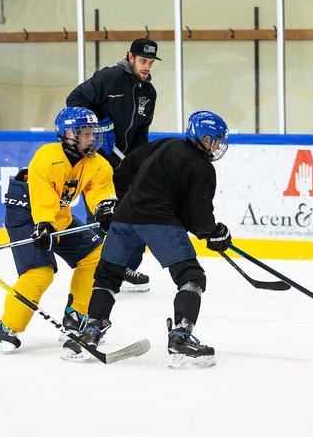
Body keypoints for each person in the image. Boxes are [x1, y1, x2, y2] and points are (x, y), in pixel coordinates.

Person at [63, 110, 232, 368]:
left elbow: (124, 170)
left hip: (124, 219)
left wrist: (117, 205)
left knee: (107, 276)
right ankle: (181, 336)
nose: (217, 146)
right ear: (203, 138)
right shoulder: (203, 168)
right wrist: (213, 232)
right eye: (215, 140)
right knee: (191, 277)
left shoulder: (165, 143)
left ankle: (91, 330)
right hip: (159, 222)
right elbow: (197, 214)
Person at [0, 106, 117, 359]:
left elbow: (100, 191)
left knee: (95, 254)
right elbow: (42, 197)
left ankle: (76, 316)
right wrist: (44, 224)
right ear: (68, 134)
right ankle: (6, 328)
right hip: (26, 212)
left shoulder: (97, 163)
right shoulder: (47, 157)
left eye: (92, 132)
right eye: (84, 132)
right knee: (40, 273)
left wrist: (105, 208)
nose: (91, 138)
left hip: (59, 216)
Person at [66, 38, 159, 291]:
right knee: (102, 215)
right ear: (130, 57)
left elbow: (141, 131)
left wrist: (139, 162)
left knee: (135, 213)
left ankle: (124, 266)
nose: (147, 67)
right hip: (99, 160)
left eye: (150, 62)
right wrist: (96, 126)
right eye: (143, 61)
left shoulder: (148, 93)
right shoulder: (109, 78)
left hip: (126, 164)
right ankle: (95, 268)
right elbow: (74, 100)